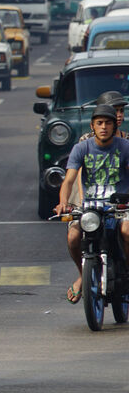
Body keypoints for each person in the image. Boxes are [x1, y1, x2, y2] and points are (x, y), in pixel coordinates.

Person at [56, 104, 129, 303]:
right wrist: (63, 202)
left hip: (120, 208)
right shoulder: (81, 148)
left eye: (108, 123)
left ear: (115, 126)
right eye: (99, 123)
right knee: (73, 237)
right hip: (90, 207)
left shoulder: (125, 147)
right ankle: (83, 275)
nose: (103, 127)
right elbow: (69, 180)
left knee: (127, 232)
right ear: (92, 126)